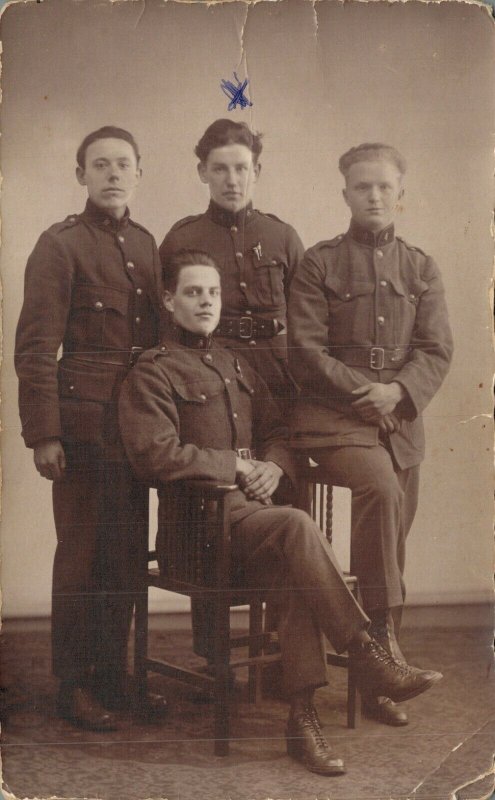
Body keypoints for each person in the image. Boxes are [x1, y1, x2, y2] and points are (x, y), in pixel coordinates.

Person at [118, 248, 443, 776]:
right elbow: (154, 454)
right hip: (196, 536)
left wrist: (273, 466)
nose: (206, 302)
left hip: (256, 533)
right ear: (169, 299)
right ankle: (365, 653)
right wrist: (236, 467)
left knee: (295, 567)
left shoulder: (236, 363)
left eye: (213, 292)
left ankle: (302, 718)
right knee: (296, 526)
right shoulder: (152, 371)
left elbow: (280, 434)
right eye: (194, 292)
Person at [287, 143, 453, 727]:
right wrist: (369, 394)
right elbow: (306, 350)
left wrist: (400, 394)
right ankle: (380, 649)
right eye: (363, 188)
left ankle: (375, 686)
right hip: (332, 421)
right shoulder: (319, 262)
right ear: (346, 195)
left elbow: (435, 350)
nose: (375, 196)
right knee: (380, 491)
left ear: (401, 194)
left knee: (394, 537)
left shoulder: (421, 267)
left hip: (400, 423)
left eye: (385, 187)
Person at [15, 126, 167, 731]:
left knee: (126, 555)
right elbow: (34, 349)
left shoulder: (149, 245)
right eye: (99, 165)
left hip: (135, 428)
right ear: (81, 175)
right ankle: (73, 685)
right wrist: (43, 433)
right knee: (81, 555)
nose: (112, 174)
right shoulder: (60, 245)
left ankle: (113, 675)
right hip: (80, 430)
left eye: (123, 164)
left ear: (138, 172)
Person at [159, 118, 304, 669]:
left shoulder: (283, 237)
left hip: (275, 378)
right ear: (203, 172)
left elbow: (306, 321)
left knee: (282, 503)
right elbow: (167, 320)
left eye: (242, 168)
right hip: (206, 373)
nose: (232, 179)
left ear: (256, 171)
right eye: (219, 168)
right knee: (213, 505)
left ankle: (280, 653)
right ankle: (214, 651)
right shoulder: (183, 238)